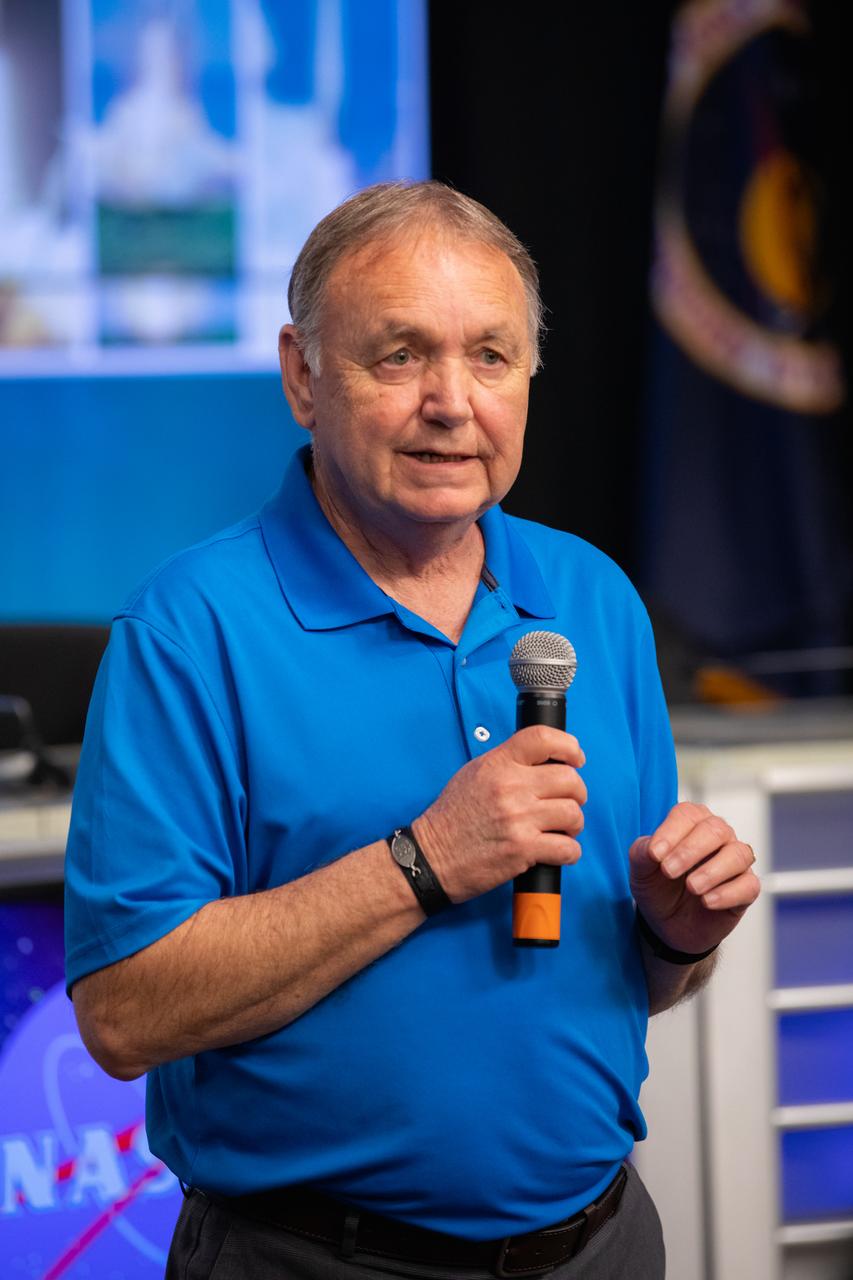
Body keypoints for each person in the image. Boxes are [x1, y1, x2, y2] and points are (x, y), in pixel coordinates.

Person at [65, 181, 760, 1279]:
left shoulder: (593, 599)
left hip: (603, 1243)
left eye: (490, 355)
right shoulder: (190, 628)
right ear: (302, 374)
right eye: (399, 355)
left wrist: (677, 932)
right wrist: (425, 859)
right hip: (311, 1261)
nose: (452, 400)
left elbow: (628, 975)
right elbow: (124, 1009)